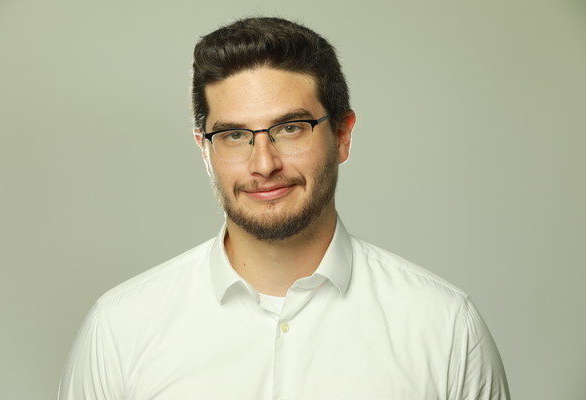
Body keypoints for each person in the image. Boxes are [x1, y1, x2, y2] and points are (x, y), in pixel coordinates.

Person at [59, 17, 510, 400]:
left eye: (291, 128)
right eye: (234, 135)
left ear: (342, 136)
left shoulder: (446, 329)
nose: (264, 164)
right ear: (204, 150)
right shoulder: (119, 330)